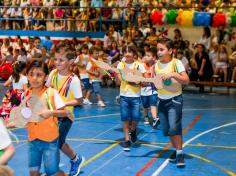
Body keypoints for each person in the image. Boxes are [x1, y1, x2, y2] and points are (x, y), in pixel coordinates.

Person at [46, 44, 85, 176]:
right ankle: (76, 159)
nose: (57, 62)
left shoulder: (73, 80)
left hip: (66, 115)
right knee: (58, 142)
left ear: (70, 62)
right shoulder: (53, 74)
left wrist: (64, 103)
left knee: (55, 142)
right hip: (52, 114)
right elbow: (47, 90)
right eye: (55, 59)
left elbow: (79, 100)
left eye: (61, 60)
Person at [25, 60, 66, 175]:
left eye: (39, 75)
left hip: (49, 140)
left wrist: (51, 112)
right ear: (27, 76)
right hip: (32, 139)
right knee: (33, 172)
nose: (34, 78)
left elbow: (64, 112)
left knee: (52, 172)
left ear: (46, 77)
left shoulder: (51, 93)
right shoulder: (26, 94)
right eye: (31, 74)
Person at [155, 38, 189, 167]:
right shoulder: (157, 65)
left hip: (174, 100)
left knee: (174, 127)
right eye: (158, 49)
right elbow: (156, 82)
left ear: (170, 50)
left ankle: (180, 154)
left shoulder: (177, 63)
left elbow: (186, 80)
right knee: (168, 130)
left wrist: (173, 74)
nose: (159, 52)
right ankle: (176, 151)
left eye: (161, 49)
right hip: (161, 100)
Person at [117, 45, 146, 151]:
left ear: (134, 54)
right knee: (125, 118)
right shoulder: (121, 64)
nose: (128, 53)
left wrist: (138, 81)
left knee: (135, 118)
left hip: (136, 96)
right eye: (126, 52)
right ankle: (127, 139)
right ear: (123, 54)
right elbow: (120, 78)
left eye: (130, 51)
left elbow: (143, 79)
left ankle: (133, 130)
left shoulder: (139, 65)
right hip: (124, 95)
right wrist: (124, 78)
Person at [141, 49, 160, 128]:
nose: (146, 57)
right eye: (145, 55)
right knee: (145, 105)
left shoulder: (157, 66)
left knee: (153, 103)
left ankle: (155, 118)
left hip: (153, 89)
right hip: (144, 89)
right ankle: (146, 116)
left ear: (153, 57)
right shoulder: (142, 65)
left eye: (148, 56)